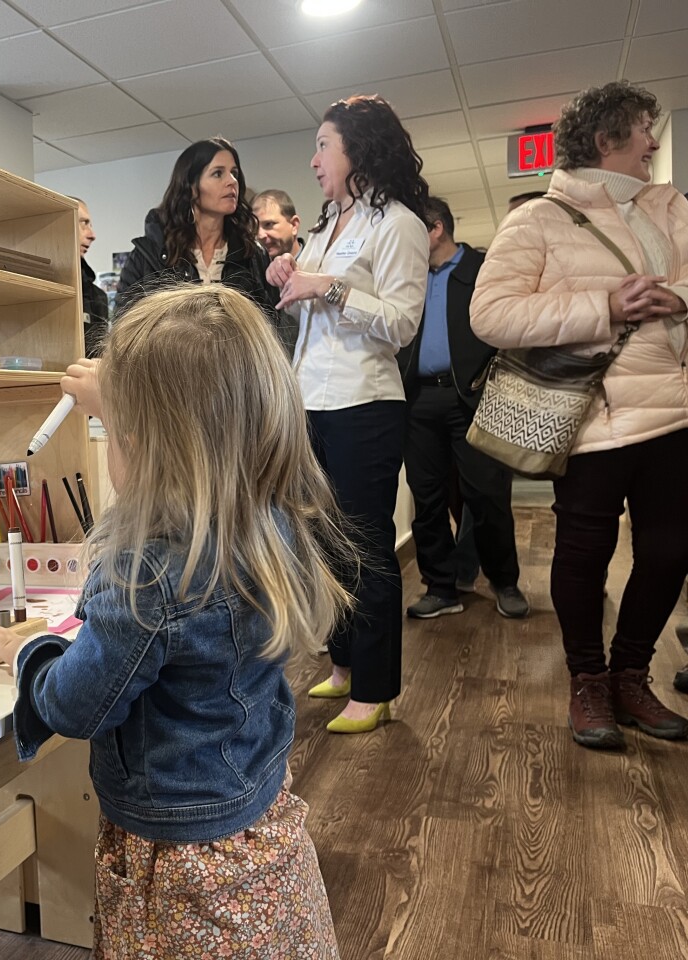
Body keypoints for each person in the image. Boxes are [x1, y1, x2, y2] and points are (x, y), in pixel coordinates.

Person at [0, 285, 348, 958]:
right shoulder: (272, 521)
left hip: (177, 856)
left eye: (111, 433)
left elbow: (75, 705)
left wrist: (28, 651)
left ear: (145, 447)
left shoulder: (148, 574)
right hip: (256, 817)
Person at [471, 80, 688, 750]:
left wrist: (676, 298)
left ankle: (631, 674)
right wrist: (606, 308)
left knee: (670, 549)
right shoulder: (537, 218)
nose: (653, 142)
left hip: (675, 411)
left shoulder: (671, 205)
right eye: (643, 129)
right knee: (583, 551)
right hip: (588, 414)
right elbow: (491, 315)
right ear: (605, 139)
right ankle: (587, 679)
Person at [267, 94, 431, 733]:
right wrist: (290, 269)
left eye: (322, 146)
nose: (312, 161)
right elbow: (308, 303)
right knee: (322, 543)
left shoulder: (400, 225)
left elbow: (401, 323)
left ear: (358, 150)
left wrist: (329, 287)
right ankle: (342, 665)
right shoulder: (324, 225)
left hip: (364, 404)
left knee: (366, 547)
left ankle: (377, 688)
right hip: (310, 403)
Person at [398, 197, 529, 620]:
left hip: (470, 398)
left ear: (435, 230)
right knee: (428, 497)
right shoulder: (409, 278)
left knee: (485, 495)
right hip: (418, 400)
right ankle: (440, 586)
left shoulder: (481, 269)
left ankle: (504, 582)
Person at [116, 138, 289, 351]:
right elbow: (124, 329)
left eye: (234, 173)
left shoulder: (252, 254)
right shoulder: (150, 253)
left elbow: (272, 330)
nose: (231, 181)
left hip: (235, 378)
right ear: (191, 186)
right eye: (218, 173)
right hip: (169, 376)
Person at [72, 198, 109, 358]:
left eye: (90, 225)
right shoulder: (40, 284)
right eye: (83, 223)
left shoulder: (98, 297)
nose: (92, 235)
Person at [252, 187, 304, 258]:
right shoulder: (257, 267)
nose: (260, 236)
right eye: (255, 228)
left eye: (268, 224)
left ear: (294, 225)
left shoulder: (319, 265)